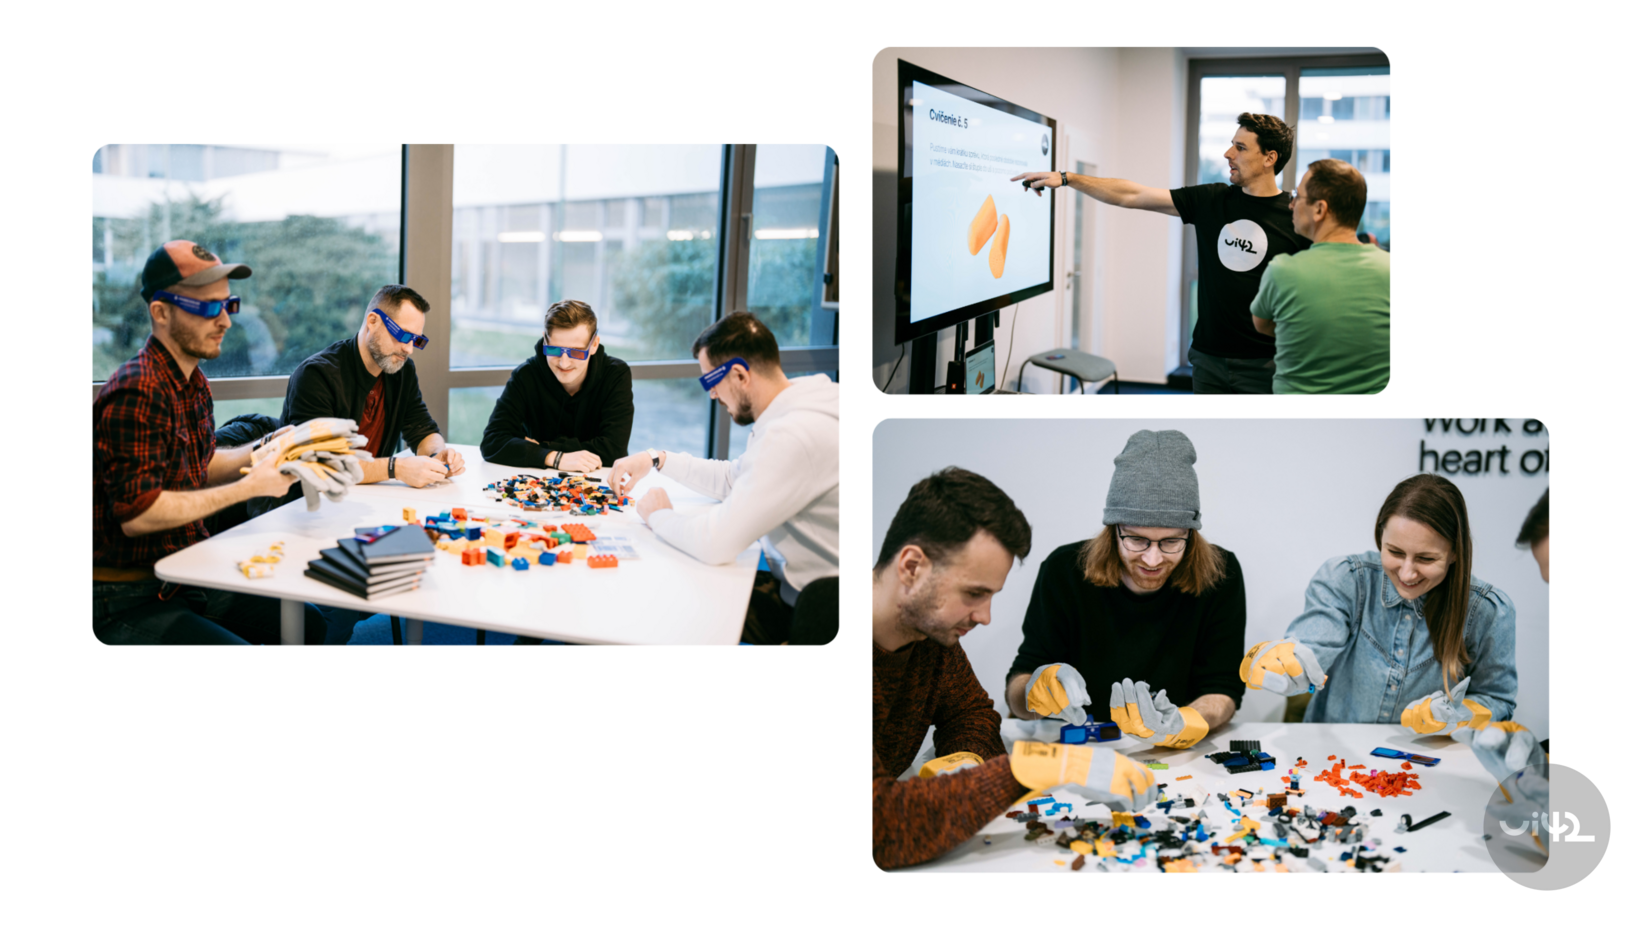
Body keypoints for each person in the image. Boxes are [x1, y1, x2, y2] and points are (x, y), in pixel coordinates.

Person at [869, 466, 1159, 869]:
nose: (984, 616)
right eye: (974, 593)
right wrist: (1032, 767)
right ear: (912, 566)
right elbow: (881, 827)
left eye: (991, 595)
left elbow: (972, 714)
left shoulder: (929, 638)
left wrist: (963, 763)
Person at [1012, 113, 1386, 396]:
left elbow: (1334, 262)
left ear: (1270, 157)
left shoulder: (1296, 215)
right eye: (1231, 144)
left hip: (1268, 366)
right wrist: (1069, 178)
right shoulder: (1211, 199)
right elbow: (1133, 194)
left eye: (1241, 147)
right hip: (1208, 360)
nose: (1228, 154)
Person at [92, 240, 327, 646]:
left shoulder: (193, 382)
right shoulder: (137, 390)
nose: (225, 321)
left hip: (186, 573)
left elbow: (198, 466)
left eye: (228, 304)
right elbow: (139, 514)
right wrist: (248, 487)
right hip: (125, 596)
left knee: (309, 625)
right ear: (160, 312)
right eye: (207, 307)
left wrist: (266, 448)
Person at [247, 283, 466, 645]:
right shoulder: (317, 375)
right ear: (373, 321)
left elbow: (423, 428)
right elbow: (320, 465)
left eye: (417, 340)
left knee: (432, 556)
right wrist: (395, 469)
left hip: (362, 508)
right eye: (402, 336)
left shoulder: (401, 370)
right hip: (304, 513)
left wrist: (436, 453)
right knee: (344, 603)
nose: (408, 348)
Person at [605, 312, 840, 647]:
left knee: (673, 603)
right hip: (810, 588)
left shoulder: (792, 435)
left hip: (819, 613)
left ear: (740, 375)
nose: (712, 395)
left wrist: (658, 515)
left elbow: (715, 543)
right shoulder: (809, 397)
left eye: (710, 382)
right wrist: (657, 459)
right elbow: (734, 478)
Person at [1002, 430, 1245, 750]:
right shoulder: (1063, 571)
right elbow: (1018, 686)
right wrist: (1035, 691)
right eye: (1136, 539)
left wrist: (1185, 723)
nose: (1153, 559)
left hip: (1171, 753)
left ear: (1191, 534)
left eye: (1171, 541)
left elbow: (1223, 688)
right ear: (1113, 529)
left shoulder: (1221, 574)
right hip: (1075, 748)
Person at [1238, 473, 1519, 734]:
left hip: (1427, 758)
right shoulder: (1347, 579)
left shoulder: (1488, 611)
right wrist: (1287, 661)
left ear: (1456, 552)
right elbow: (1313, 646)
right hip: (1332, 754)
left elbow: (1497, 699)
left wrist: (1459, 714)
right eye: (1395, 552)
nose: (1407, 574)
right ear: (1380, 538)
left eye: (1426, 558)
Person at [1248, 160, 1392, 394]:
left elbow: (1262, 324)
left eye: (1297, 196)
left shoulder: (1283, 271)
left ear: (1319, 209)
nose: (1291, 205)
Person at [479, 298, 633, 473]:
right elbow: (492, 442)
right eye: (554, 350)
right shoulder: (526, 375)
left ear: (594, 345)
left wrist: (539, 447)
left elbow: (614, 451)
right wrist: (553, 457)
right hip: (537, 481)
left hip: (601, 480)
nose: (564, 363)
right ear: (545, 341)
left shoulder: (615, 375)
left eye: (576, 352)